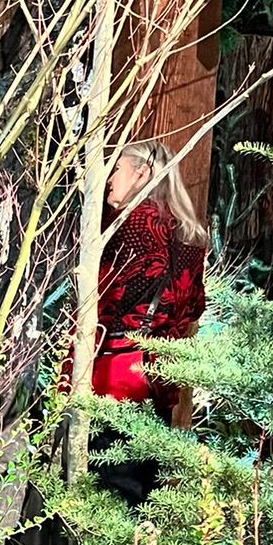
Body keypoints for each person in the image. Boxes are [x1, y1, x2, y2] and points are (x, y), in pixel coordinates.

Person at [92, 139, 208, 418]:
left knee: (104, 456)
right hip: (161, 375)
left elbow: (100, 295)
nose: (110, 179)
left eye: (117, 169)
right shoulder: (189, 233)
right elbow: (195, 307)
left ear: (142, 173)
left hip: (117, 371)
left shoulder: (132, 221)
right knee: (146, 458)